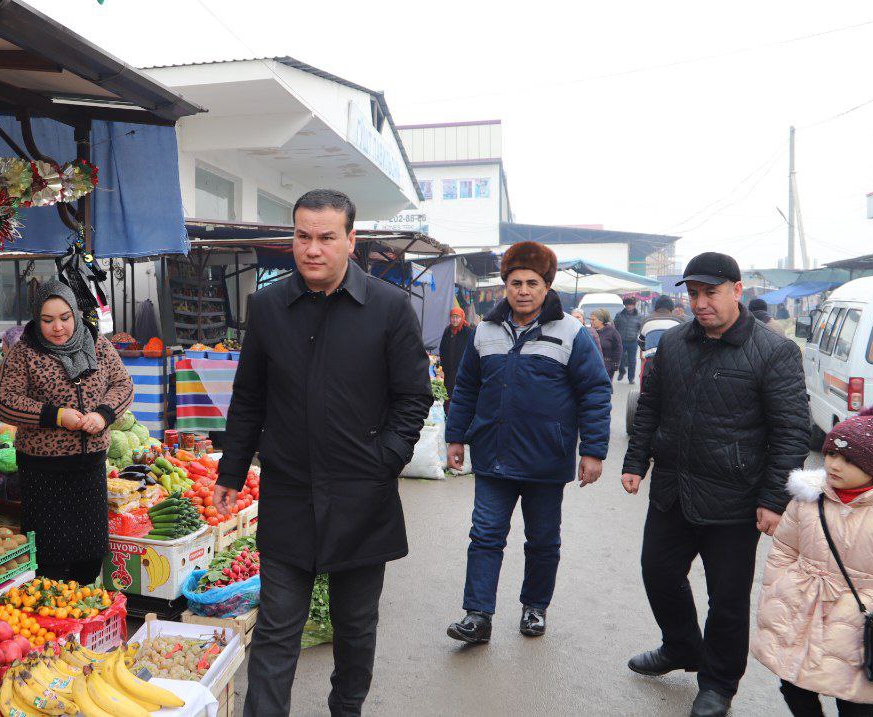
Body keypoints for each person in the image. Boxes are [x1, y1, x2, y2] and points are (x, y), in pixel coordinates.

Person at [214, 189, 432, 717]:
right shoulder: (267, 307)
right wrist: (232, 470)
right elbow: (250, 396)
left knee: (355, 629)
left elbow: (414, 396)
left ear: (350, 241)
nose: (313, 249)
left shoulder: (388, 308)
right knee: (276, 630)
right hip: (289, 491)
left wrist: (386, 459)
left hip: (363, 496)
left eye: (326, 238)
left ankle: (346, 711)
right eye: (303, 236)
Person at [621, 252, 810, 717]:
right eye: (693, 294)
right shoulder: (674, 344)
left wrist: (773, 499)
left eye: (711, 292)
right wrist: (635, 460)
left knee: (726, 598)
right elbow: (651, 407)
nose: (700, 303)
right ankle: (682, 646)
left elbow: (791, 430)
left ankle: (719, 683)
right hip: (672, 489)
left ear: (737, 291)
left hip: (735, 499)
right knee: (658, 574)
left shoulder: (774, 351)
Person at [444, 241, 612, 644]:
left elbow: (594, 391)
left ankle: (534, 608)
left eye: (531, 283)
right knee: (484, 535)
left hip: (545, 459)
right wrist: (456, 437)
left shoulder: (571, 332)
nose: (522, 290)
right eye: (515, 282)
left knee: (542, 540)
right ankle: (477, 616)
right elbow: (466, 387)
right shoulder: (484, 330)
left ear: (546, 286)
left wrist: (592, 450)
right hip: (493, 455)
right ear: (505, 285)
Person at [0, 280, 133, 583]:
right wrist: (55, 416)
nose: (57, 327)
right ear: (36, 319)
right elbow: (3, 401)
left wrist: (103, 414)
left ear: (76, 315)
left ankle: (84, 612)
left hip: (89, 467)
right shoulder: (24, 352)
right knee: (51, 559)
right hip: (44, 471)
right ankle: (57, 619)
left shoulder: (97, 343)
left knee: (90, 555)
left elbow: (123, 385)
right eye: (48, 320)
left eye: (65, 318)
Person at [752, 410, 873, 716]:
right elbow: (784, 547)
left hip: (857, 622)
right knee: (793, 684)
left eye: (849, 460)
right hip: (804, 611)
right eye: (832, 453)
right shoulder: (809, 500)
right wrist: (781, 586)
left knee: (854, 700)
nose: (834, 464)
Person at [439, 305, 474, 399]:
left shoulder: (468, 331)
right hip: (449, 370)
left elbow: (472, 350)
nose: (455, 320)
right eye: (453, 317)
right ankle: (447, 412)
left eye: (457, 317)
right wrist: (443, 365)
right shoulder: (447, 331)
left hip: (462, 369)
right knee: (448, 393)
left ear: (462, 317)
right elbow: (442, 348)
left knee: (460, 393)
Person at [613, 297, 643, 383]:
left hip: (633, 341)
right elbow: (615, 326)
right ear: (625, 305)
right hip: (621, 341)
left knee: (632, 361)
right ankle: (622, 371)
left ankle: (631, 378)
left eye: (631, 305)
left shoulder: (639, 316)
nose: (629, 306)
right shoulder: (619, 315)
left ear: (634, 305)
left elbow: (641, 328)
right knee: (620, 359)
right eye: (627, 305)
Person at [591, 308, 622, 379]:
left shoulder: (612, 332)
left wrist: (615, 364)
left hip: (607, 366)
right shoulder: (590, 332)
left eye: (593, 320)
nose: (591, 322)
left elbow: (618, 348)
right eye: (591, 319)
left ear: (601, 320)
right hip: (592, 365)